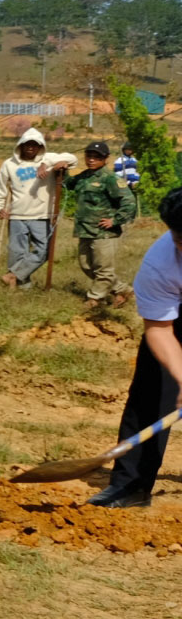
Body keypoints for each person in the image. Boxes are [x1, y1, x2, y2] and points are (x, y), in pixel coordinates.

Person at [90, 188, 182, 508]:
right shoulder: (161, 265)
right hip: (178, 314)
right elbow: (159, 329)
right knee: (152, 391)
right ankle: (131, 484)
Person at [0, 127, 77, 288]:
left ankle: (12, 275)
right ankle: (20, 286)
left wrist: (46, 164)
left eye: (35, 144)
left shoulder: (48, 158)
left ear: (40, 146)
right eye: (27, 144)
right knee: (17, 252)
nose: (31, 147)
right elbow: (0, 188)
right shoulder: (9, 164)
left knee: (44, 251)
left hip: (41, 214)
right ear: (21, 145)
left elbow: (73, 159)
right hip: (17, 214)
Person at [65, 141, 134, 307]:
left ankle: (95, 299)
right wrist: (62, 168)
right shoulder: (84, 176)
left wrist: (115, 220)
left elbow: (129, 202)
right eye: (89, 156)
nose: (91, 160)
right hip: (85, 230)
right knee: (86, 265)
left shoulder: (111, 179)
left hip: (104, 232)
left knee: (104, 269)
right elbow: (68, 184)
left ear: (106, 159)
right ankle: (122, 289)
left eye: (97, 157)